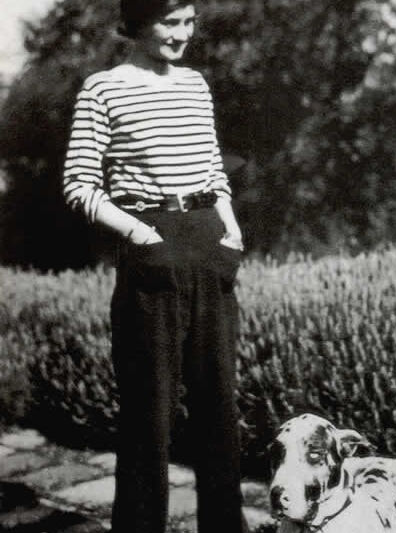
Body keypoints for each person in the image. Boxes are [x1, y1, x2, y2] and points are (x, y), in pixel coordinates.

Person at [62, 1, 249, 532]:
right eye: (170, 21)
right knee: (151, 418)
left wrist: (231, 229)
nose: (181, 34)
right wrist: (142, 234)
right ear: (139, 22)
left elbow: (213, 169)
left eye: (188, 22)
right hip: (151, 244)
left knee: (218, 412)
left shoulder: (195, 85)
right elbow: (79, 185)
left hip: (210, 244)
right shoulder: (103, 89)